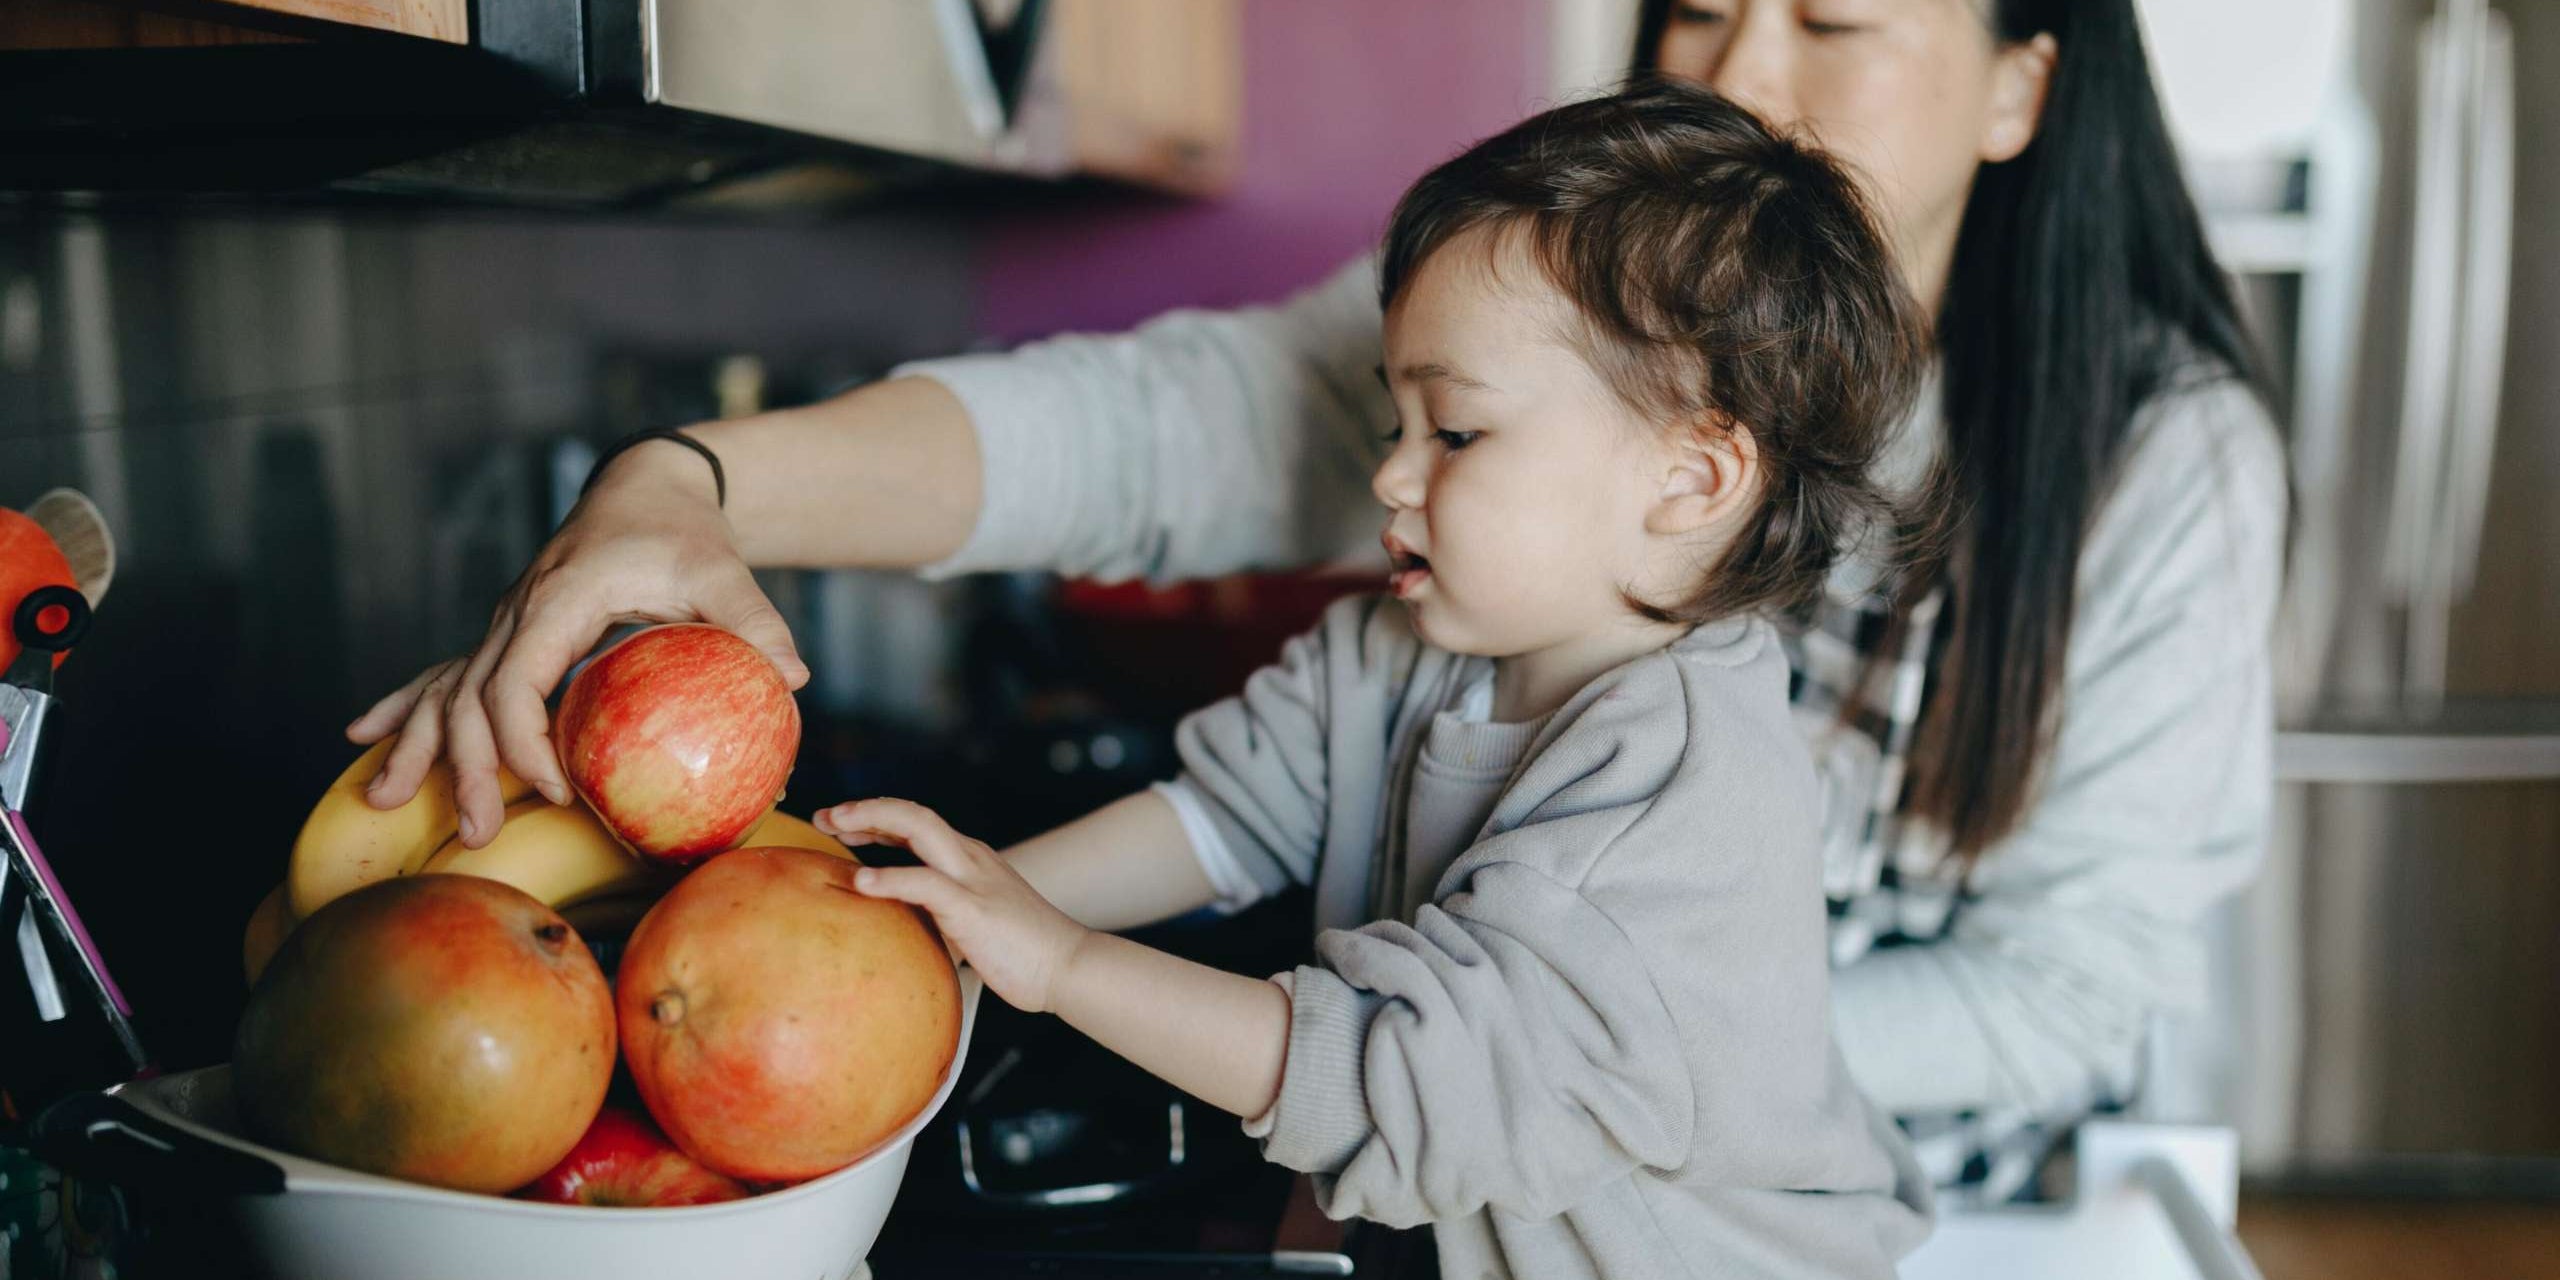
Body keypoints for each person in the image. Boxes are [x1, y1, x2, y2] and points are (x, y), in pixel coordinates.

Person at [351, 0, 2286, 1204]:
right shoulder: (1516, 392)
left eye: (1832, 19)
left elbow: (2056, 991)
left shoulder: (2150, 461)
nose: (1746, 77)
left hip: (1865, 1208)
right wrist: (688, 486)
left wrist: (1622, 1055)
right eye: (1700, 6)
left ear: (2024, 81)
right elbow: (1162, 446)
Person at [815, 82, 1935, 1279]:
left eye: (1453, 432)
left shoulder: (1674, 797)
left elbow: (1380, 1074)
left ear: (1691, 479)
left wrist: (1062, 964)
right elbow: (1223, 815)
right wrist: (968, 918)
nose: (1393, 478)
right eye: (1397, 422)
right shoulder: (1399, 651)